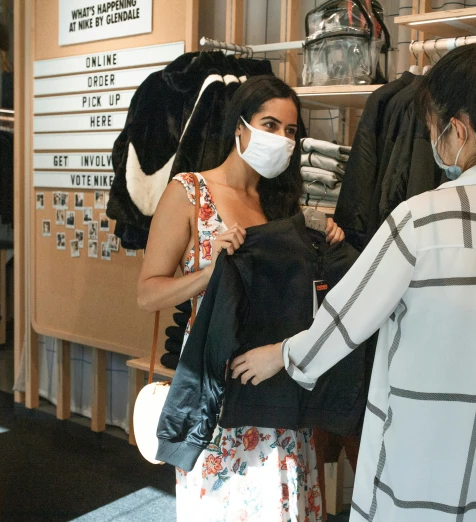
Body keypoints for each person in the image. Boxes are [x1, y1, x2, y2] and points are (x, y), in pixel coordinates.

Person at [232, 27, 476, 522]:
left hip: (421, 488)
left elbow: (344, 322)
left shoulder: (422, 221)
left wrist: (282, 356)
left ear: (457, 131)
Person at [138, 75, 344, 522]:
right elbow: (147, 293)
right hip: (218, 383)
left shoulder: (283, 205)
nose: (282, 140)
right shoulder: (189, 193)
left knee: (284, 501)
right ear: (239, 125)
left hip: (280, 379)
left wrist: (323, 239)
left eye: (291, 132)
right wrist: (209, 274)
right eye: (270, 124)